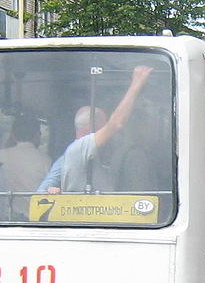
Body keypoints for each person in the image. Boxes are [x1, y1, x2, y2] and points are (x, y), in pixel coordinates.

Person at [56, 65, 153, 193]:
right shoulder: (79, 148)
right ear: (92, 127)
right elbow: (116, 123)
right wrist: (136, 84)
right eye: (104, 124)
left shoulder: (89, 154)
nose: (109, 133)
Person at [0, 114, 51, 197]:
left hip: (4, 209)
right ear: (37, 135)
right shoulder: (46, 161)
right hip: (36, 209)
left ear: (12, 135)